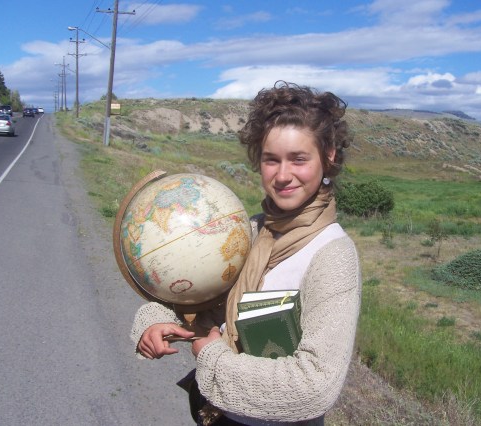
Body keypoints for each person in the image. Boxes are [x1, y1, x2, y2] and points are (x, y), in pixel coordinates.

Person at [131, 81, 362, 425]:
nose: (283, 175)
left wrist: (213, 359)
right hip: (218, 415)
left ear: (328, 156)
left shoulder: (332, 255)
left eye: (298, 159)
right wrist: (154, 321)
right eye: (271, 160)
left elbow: (316, 386)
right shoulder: (250, 230)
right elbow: (203, 300)